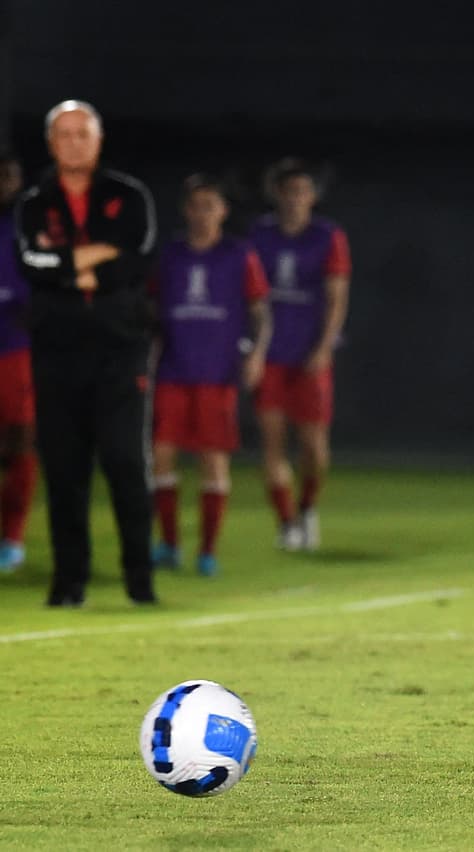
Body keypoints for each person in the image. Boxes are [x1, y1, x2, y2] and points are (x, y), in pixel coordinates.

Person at [13, 100, 158, 606]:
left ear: (98, 141)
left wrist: (68, 268)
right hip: (56, 353)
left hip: (120, 351)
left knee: (125, 464)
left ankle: (139, 581)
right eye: (65, 134)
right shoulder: (34, 202)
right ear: (51, 143)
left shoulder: (128, 195)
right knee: (64, 471)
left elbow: (133, 262)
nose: (74, 142)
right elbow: (34, 264)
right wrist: (92, 261)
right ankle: (69, 583)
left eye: (83, 133)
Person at [150, 175, 272, 576]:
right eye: (196, 205)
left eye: (210, 206)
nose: (202, 213)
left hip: (216, 373)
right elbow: (153, 315)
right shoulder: (171, 256)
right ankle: (168, 544)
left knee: (212, 460)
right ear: (186, 210)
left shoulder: (239, 255)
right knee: (162, 455)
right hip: (173, 369)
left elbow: (259, 311)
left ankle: (207, 551)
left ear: (223, 211)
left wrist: (256, 354)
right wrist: (148, 362)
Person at [248, 159, 350, 552]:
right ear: (277, 195)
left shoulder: (327, 236)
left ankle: (308, 508)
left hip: (309, 356)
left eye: (303, 192)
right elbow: (251, 294)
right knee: (272, 442)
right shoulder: (261, 234)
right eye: (289, 192)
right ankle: (286, 522)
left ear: (313, 197)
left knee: (314, 446)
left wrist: (324, 347)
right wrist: (253, 349)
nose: (295, 200)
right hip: (271, 356)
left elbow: (336, 297)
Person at [0, 153, 37, 573]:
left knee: (21, 441)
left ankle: (13, 537)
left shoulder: (30, 226)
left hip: (17, 349)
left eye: (11, 177)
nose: (5, 184)